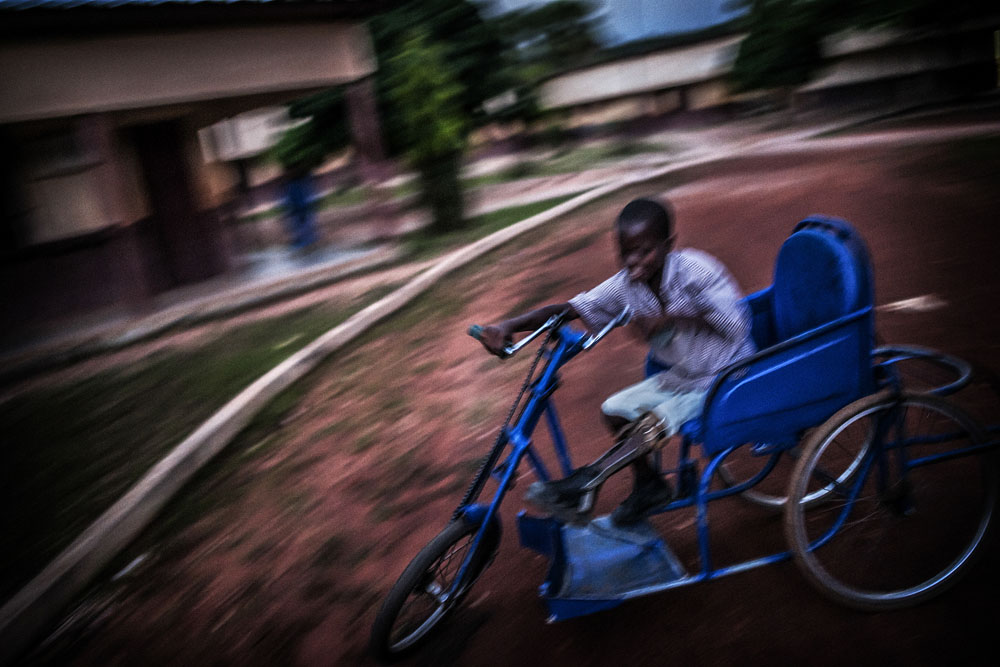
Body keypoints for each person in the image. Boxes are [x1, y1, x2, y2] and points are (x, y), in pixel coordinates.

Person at [477, 197, 755, 525]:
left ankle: (587, 482)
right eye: (626, 252)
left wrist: (672, 318)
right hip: (685, 376)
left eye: (645, 251)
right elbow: (571, 308)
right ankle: (650, 486)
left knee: (655, 420)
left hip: (727, 375)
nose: (633, 261)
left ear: (668, 245)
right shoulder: (627, 285)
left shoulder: (696, 271)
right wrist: (507, 326)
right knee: (615, 409)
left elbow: (737, 324)